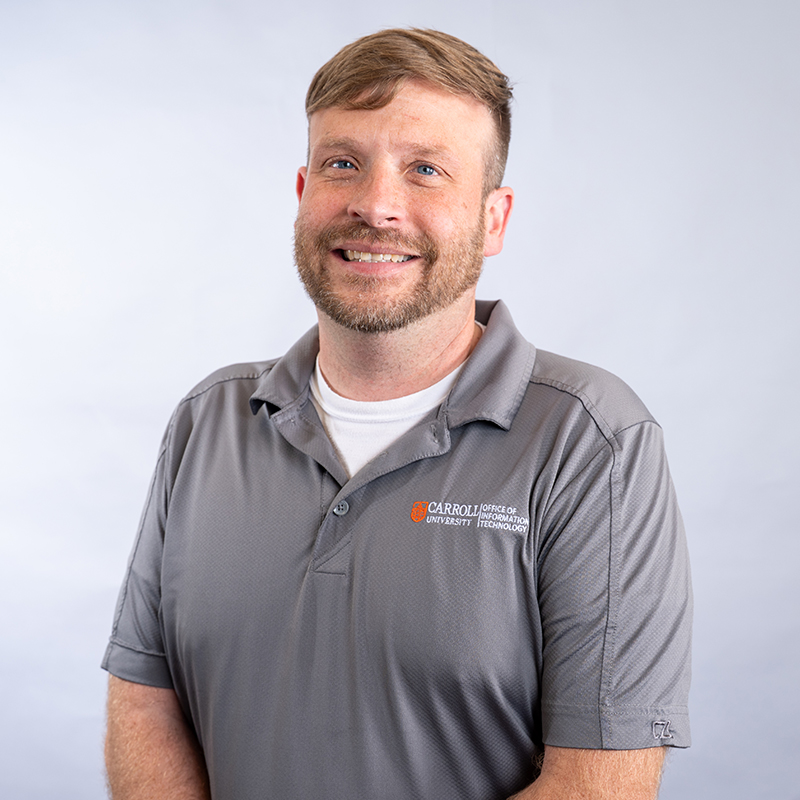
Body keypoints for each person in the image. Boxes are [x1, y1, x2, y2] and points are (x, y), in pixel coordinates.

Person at [102, 28, 692, 800]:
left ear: (493, 219)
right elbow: (144, 702)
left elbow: (599, 785)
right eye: (343, 163)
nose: (377, 205)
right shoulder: (207, 422)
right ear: (304, 192)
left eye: (426, 170)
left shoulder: (594, 443)